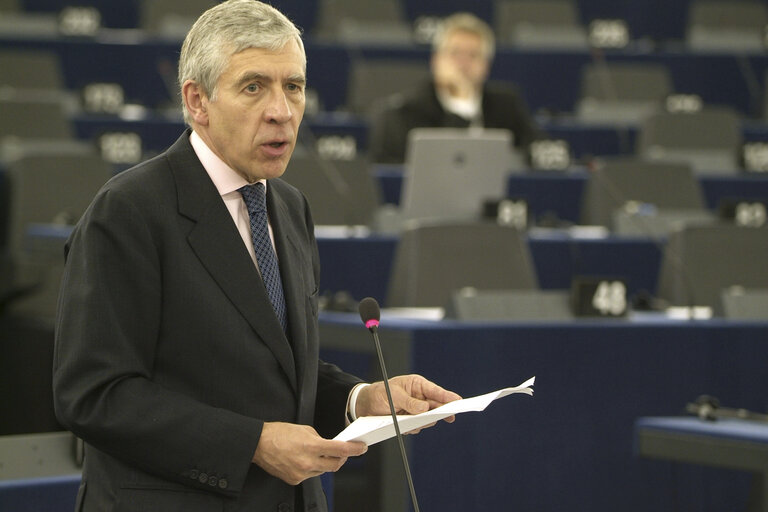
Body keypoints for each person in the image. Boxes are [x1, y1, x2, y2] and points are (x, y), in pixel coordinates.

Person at [52, 1, 461, 510]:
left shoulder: (288, 205)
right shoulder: (129, 210)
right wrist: (253, 443)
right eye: (253, 87)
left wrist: (362, 400)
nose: (282, 111)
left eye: (293, 86)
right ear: (197, 101)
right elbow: (93, 394)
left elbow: (275, 368)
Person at [369, 12, 542, 164]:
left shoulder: (507, 106)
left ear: (486, 66)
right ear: (436, 60)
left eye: (473, 55)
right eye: (455, 53)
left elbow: (537, 149)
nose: (463, 64)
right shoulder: (402, 113)